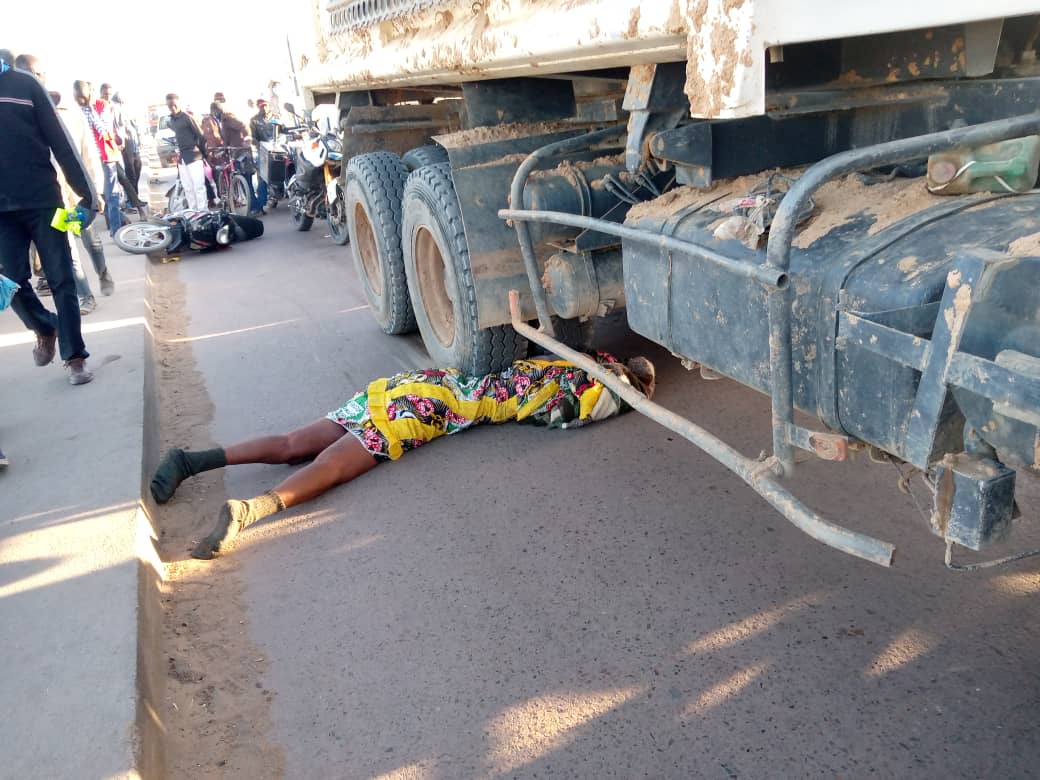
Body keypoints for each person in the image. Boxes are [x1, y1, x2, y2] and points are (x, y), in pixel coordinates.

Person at [150, 354, 656, 559]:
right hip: (428, 408)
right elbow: (590, 406)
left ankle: (189, 461)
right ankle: (248, 511)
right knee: (329, 467)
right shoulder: (584, 390)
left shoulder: (560, 364)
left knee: (291, 445)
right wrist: (632, 395)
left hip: (408, 384)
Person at [0, 51, 98, 385]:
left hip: (45, 202)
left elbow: (61, 141)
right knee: (8, 282)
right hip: (1, 213)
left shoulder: (24, 85)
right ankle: (45, 326)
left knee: (61, 276)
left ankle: (75, 357)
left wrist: (88, 196)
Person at [75, 79, 123, 237]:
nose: (79, 101)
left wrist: (91, 108)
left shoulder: (102, 106)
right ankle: (71, 230)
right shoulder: (76, 110)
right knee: (87, 199)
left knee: (111, 196)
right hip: (87, 160)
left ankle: (115, 231)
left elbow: (104, 131)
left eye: (82, 97)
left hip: (105, 157)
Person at [166, 93, 208, 210]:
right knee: (188, 188)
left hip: (194, 156)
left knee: (198, 187)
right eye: (170, 106)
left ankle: (203, 212)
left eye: (174, 105)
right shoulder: (171, 121)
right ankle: (193, 213)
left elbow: (201, 136)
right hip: (182, 159)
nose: (172, 108)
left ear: (178, 103)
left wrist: (203, 153)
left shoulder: (187, 117)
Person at [250, 99, 274, 209]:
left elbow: (284, 130)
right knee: (263, 177)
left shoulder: (275, 117)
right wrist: (261, 146)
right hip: (264, 151)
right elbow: (253, 138)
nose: (264, 108)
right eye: (261, 106)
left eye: (265, 105)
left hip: (278, 149)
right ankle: (261, 204)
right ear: (258, 107)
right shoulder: (254, 120)